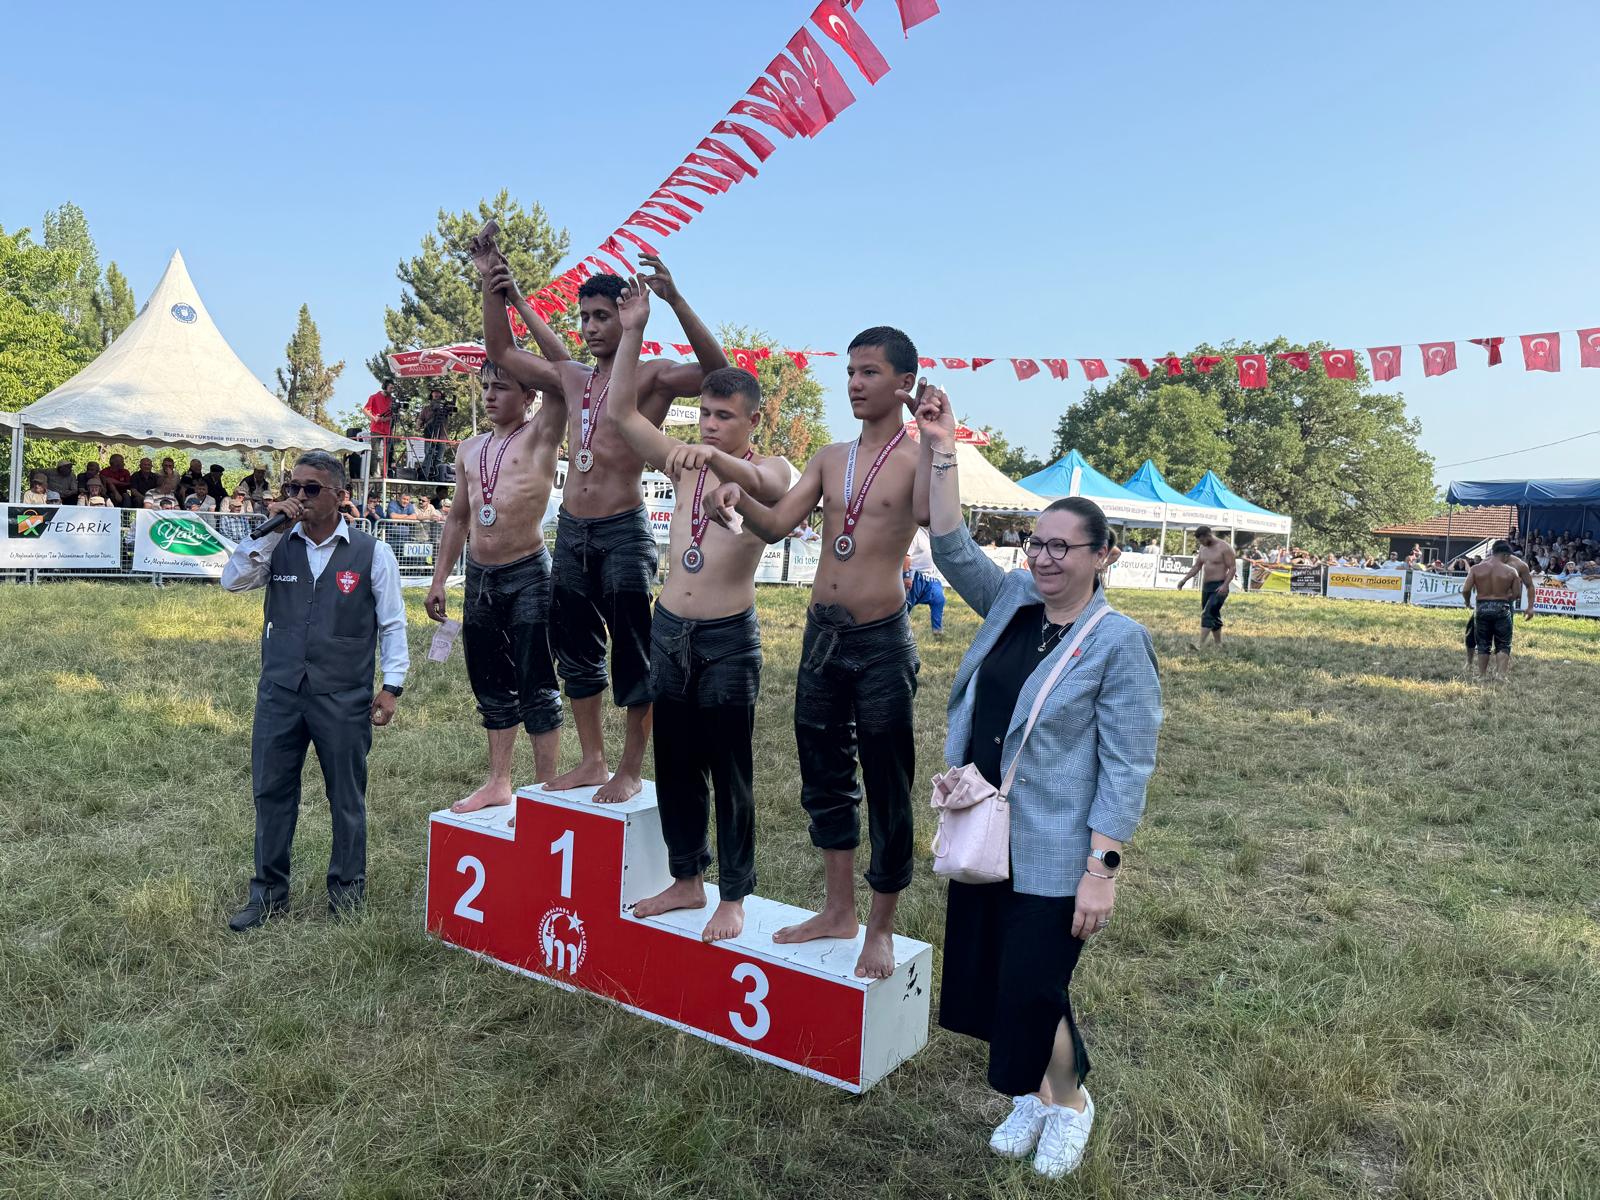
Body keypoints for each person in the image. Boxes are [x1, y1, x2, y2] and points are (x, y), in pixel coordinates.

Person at [915, 383, 1161, 1179]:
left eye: (1063, 547)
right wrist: (942, 449)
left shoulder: (1118, 641)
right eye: (1036, 544)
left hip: (1056, 848)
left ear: (1103, 556)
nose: (1045, 558)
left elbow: (1127, 763)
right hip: (984, 828)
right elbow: (951, 545)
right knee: (991, 976)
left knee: (1033, 984)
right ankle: (1030, 1092)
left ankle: (1070, 1104)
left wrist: (1102, 869)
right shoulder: (1014, 602)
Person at [476, 224, 727, 804]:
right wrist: (493, 287)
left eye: (601, 317)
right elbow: (502, 353)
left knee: (633, 653)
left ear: (626, 316)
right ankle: (593, 760)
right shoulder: (572, 378)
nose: (590, 327)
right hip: (572, 532)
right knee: (576, 652)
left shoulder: (652, 376)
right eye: (584, 317)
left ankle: (630, 768)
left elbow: (720, 376)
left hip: (622, 530)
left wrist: (675, 300)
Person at [709, 326, 928, 980]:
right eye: (851, 372)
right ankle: (838, 910)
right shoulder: (832, 457)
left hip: (881, 639)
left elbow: (936, 519)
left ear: (905, 384)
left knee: (887, 782)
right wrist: (738, 498)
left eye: (869, 372)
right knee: (824, 776)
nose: (855, 383)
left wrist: (940, 445)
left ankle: (880, 927)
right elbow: (778, 524)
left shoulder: (919, 458)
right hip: (821, 637)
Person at [597, 280, 791, 940]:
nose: (709, 425)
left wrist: (718, 460)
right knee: (675, 763)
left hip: (727, 638)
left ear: (751, 422)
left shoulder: (772, 467)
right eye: (705, 414)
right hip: (670, 630)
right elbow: (622, 413)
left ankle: (733, 895)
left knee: (729, 770)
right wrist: (633, 330)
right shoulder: (685, 466)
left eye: (724, 417)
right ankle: (687, 878)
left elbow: (768, 490)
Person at [220, 451, 409, 930]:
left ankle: (347, 892)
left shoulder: (372, 552)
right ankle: (267, 893)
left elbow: (392, 624)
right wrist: (271, 531)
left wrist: (392, 686)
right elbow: (232, 580)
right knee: (271, 792)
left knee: (346, 795)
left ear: (340, 496)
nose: (298, 497)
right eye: (293, 487)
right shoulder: (278, 544)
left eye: (310, 489)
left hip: (342, 695)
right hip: (280, 691)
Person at [425, 352, 570, 817]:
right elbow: (458, 518)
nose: (489, 396)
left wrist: (513, 326)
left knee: (536, 680)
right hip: (481, 579)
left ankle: (545, 788)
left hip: (529, 573)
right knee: (489, 681)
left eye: (501, 387)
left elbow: (562, 372)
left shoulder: (543, 431)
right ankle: (499, 782)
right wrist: (439, 579)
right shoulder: (469, 449)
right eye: (486, 387)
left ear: (529, 396)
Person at [1462, 540, 1530, 680]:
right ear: (1505, 555)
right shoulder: (1511, 571)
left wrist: (1467, 602)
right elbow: (1517, 594)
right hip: (1502, 606)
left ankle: (1482, 675)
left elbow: (1466, 590)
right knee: (1503, 643)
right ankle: (1501, 675)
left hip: (1482, 606)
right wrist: (1504, 598)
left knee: (1483, 643)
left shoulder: (1476, 568)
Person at [1176, 526, 1236, 647]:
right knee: (1214, 614)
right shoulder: (1203, 548)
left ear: (1209, 535)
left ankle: (1199, 644)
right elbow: (1197, 566)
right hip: (1207, 586)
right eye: (1199, 541)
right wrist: (1184, 580)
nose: (1201, 543)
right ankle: (1218, 644)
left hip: (1219, 586)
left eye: (1202, 540)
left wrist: (1225, 585)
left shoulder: (1224, 547)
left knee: (1207, 613)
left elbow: (1232, 568)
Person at [903, 553, 947, 636]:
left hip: (932, 577)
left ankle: (937, 631)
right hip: (915, 575)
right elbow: (906, 556)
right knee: (905, 606)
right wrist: (906, 575)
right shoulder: (914, 542)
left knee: (939, 600)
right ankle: (899, 630)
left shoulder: (937, 544)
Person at [365, 379, 396, 477]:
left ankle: (385, 474)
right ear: (385, 387)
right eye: (391, 388)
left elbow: (394, 415)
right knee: (375, 453)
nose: (392, 390)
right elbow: (365, 410)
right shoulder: (374, 397)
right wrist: (374, 418)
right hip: (376, 429)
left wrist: (387, 418)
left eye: (393, 388)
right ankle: (375, 475)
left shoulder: (392, 400)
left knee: (387, 453)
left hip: (388, 430)